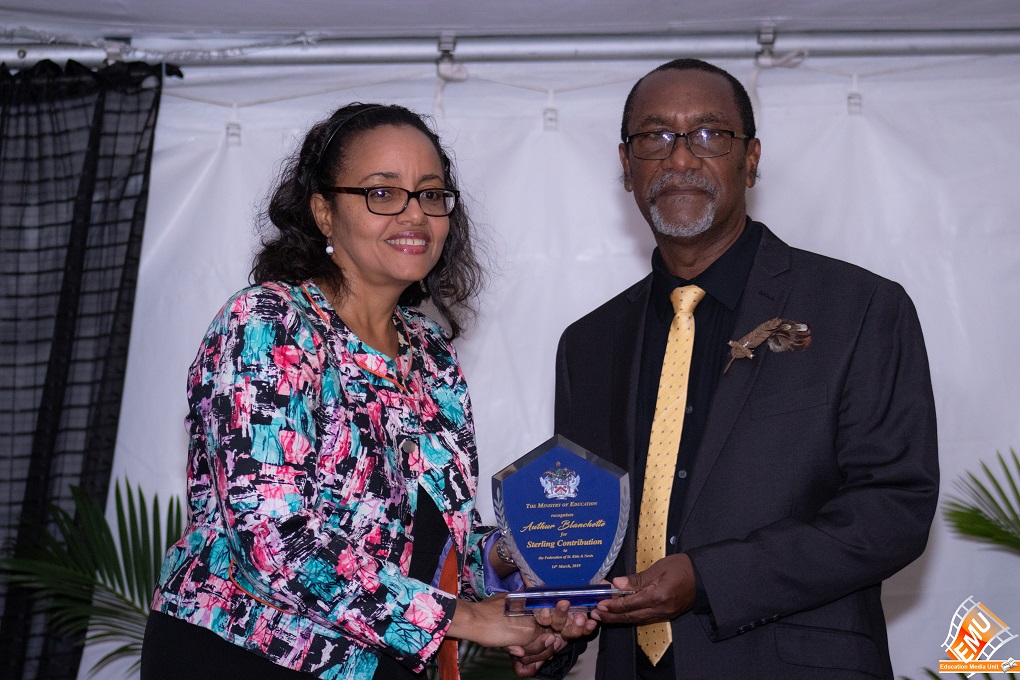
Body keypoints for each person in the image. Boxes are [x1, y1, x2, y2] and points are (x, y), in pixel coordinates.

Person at [142, 103, 591, 680]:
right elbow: (273, 542)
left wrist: (524, 567)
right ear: (324, 212)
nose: (414, 215)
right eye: (383, 193)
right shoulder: (268, 325)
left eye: (431, 194)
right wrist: (469, 619)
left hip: (382, 664)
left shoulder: (429, 351)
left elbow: (430, 540)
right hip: (248, 657)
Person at [551, 59, 939, 679]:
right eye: (654, 137)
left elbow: (892, 508)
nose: (680, 159)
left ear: (751, 158)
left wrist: (710, 578)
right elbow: (582, 530)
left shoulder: (859, 309)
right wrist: (549, 627)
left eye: (709, 135)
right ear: (626, 167)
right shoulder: (588, 344)